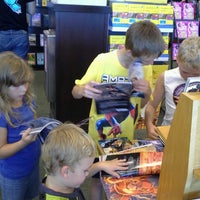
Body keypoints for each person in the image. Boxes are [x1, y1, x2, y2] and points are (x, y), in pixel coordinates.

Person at [72, 20, 165, 200]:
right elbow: (75, 92)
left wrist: (147, 92)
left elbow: (144, 103)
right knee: (98, 178)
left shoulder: (144, 66)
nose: (150, 64)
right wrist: (82, 90)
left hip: (125, 135)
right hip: (98, 136)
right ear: (130, 52)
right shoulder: (102, 60)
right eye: (147, 61)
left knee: (119, 178)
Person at [39, 122, 128, 200]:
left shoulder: (55, 171)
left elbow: (76, 173)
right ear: (66, 171)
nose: (87, 172)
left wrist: (101, 165)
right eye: (85, 170)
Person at [0, 51, 41, 200]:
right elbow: (1, 151)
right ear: (3, 86)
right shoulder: (2, 113)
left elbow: (33, 122)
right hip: (14, 174)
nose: (24, 89)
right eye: (18, 85)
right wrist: (23, 143)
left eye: (26, 82)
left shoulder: (27, 99)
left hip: (33, 165)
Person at [145, 36, 200, 140]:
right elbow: (152, 105)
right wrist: (149, 126)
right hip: (169, 131)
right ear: (177, 59)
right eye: (185, 72)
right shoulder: (167, 77)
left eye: (196, 74)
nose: (189, 77)